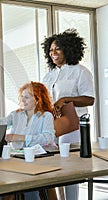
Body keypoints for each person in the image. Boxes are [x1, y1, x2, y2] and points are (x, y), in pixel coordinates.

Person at [41, 28, 95, 200]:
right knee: (54, 168)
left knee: (71, 170)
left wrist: (66, 99)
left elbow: (89, 99)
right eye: (50, 50)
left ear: (68, 49)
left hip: (74, 125)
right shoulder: (49, 76)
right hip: (52, 125)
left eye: (57, 49)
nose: (53, 53)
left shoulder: (80, 71)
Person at [0, 82, 55, 148]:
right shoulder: (15, 114)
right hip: (16, 156)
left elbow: (48, 139)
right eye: (22, 96)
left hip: (37, 157)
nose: (22, 100)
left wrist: (20, 138)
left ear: (37, 100)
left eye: (26, 97)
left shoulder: (46, 116)